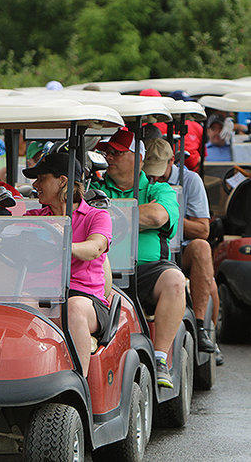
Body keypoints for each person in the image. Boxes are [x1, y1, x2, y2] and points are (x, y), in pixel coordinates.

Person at [91, 129, 184, 388]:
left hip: (147, 270)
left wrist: (107, 217)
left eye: (117, 153)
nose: (108, 156)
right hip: (99, 268)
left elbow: (157, 217)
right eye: (106, 151)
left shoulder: (159, 189)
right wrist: (129, 219)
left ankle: (160, 357)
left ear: (138, 159)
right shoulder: (94, 187)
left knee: (175, 280)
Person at [22, 153, 112, 377]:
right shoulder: (33, 216)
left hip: (85, 297)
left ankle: (78, 383)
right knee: (19, 307)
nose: (35, 185)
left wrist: (64, 244)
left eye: (41, 178)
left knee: (73, 309)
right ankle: (25, 376)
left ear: (63, 181)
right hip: (41, 293)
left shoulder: (96, 216)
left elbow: (95, 248)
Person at [143, 138, 223, 364]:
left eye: (160, 172)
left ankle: (200, 326)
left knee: (202, 250)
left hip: (181, 250)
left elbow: (202, 229)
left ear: (171, 161)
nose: (155, 178)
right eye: (151, 173)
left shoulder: (191, 180)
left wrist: (169, 217)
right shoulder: (141, 182)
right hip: (149, 252)